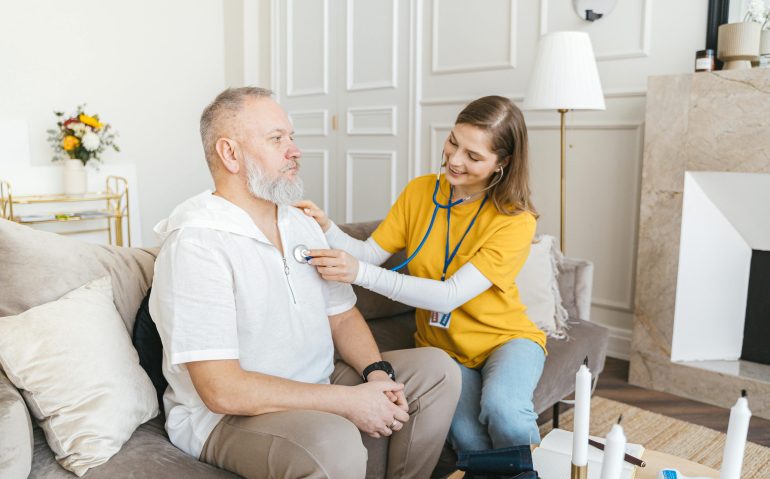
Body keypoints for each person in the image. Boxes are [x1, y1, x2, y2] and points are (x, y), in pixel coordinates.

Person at [149, 86, 461, 479]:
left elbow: (343, 317)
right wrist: (346, 403)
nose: (294, 150)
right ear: (230, 153)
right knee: (332, 441)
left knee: (437, 371)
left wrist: (377, 375)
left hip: (316, 378)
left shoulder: (299, 223)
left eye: (291, 137)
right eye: (277, 139)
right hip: (227, 416)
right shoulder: (197, 243)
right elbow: (221, 389)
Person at [297, 95, 546, 454]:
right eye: (453, 142)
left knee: (504, 412)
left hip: (505, 340)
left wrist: (360, 274)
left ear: (501, 163)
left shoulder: (515, 220)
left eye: (474, 156)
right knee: (469, 441)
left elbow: (449, 295)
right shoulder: (420, 191)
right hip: (441, 349)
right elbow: (369, 253)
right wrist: (328, 227)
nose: (455, 160)